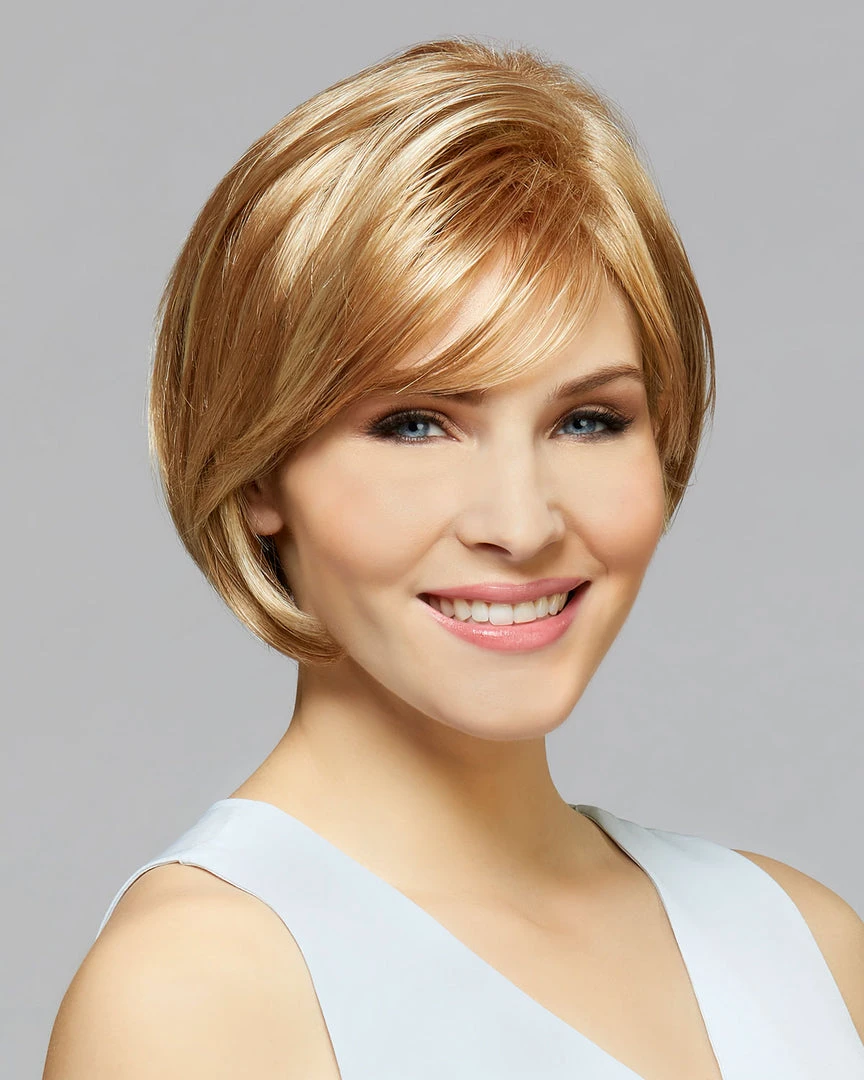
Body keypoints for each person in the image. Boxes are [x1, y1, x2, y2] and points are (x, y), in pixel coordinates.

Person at [43, 37, 864, 1080]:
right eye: (415, 424)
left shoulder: (805, 945)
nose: (521, 524)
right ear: (256, 470)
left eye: (587, 421)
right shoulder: (197, 996)